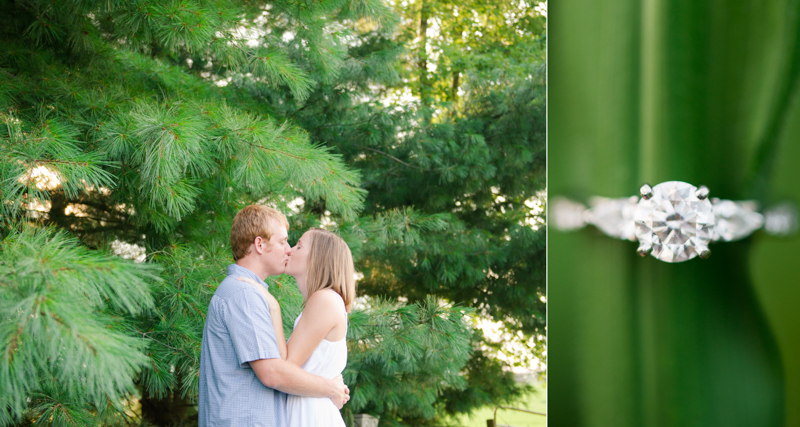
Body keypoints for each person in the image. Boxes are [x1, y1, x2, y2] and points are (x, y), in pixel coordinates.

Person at [198, 206, 349, 427]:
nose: (288, 250)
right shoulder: (244, 294)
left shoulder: (251, 293)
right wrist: (330, 388)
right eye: (283, 242)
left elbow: (282, 367)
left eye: (295, 245)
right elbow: (273, 373)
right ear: (259, 244)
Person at [237, 228, 355, 427]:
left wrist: (274, 308)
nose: (290, 250)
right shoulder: (324, 301)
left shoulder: (324, 299)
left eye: (299, 246)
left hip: (310, 416)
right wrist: (331, 387)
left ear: (318, 258)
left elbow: (286, 366)